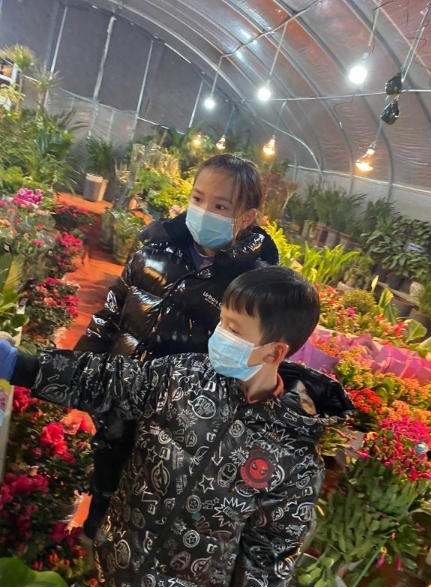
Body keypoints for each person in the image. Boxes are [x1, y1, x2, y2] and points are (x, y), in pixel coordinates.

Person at [1, 266, 353, 587]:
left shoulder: (294, 457)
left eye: (233, 329)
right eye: (221, 321)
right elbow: (108, 380)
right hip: (117, 564)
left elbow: (269, 555)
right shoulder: (182, 377)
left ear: (274, 351)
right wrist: (21, 365)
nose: (219, 335)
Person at [74, 154, 279, 539]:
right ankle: (91, 541)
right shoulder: (156, 247)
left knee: (150, 508)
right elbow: (112, 309)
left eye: (220, 206)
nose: (203, 211)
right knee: (104, 481)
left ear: (247, 217)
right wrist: (85, 367)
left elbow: (245, 368)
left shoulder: (252, 287)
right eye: (198, 199)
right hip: (120, 398)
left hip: (177, 429)